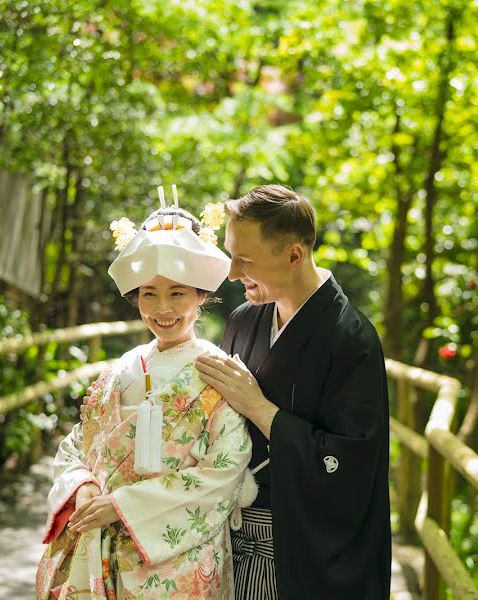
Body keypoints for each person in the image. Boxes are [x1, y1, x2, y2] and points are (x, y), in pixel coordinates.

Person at [36, 197, 253, 600]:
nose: (162, 309)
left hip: (179, 559)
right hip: (103, 544)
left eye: (177, 293)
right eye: (149, 294)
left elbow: (225, 469)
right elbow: (77, 446)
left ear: (201, 295)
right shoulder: (120, 370)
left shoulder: (216, 371)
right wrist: (83, 488)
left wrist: (121, 505)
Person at [195, 184, 391, 600]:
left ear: (294, 255)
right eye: (230, 257)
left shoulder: (351, 339)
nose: (231, 274)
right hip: (228, 533)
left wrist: (260, 409)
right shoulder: (244, 320)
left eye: (244, 261)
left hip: (300, 545)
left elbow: (350, 465)